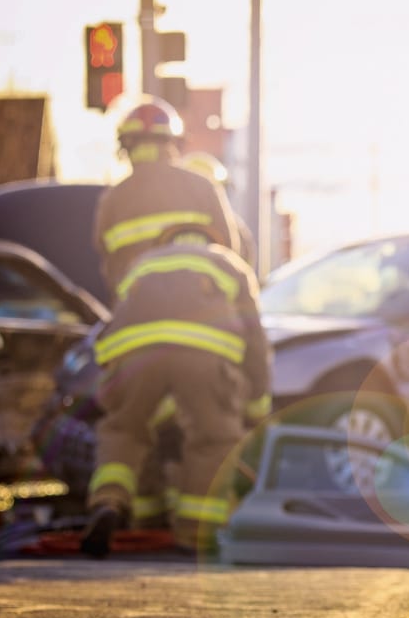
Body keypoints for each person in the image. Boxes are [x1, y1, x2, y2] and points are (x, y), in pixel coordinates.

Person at [79, 227, 272, 559]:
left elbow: (114, 325)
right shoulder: (228, 262)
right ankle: (195, 532)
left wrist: (115, 389)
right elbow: (254, 338)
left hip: (134, 354)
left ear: (166, 242)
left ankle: (109, 501)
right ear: (210, 239)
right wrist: (257, 405)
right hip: (205, 352)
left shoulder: (143, 263)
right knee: (213, 439)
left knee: (124, 429)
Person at [92, 97, 246, 301]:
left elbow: (105, 261)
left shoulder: (111, 200)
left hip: (136, 314)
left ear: (126, 147)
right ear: (174, 143)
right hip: (201, 311)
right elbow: (231, 253)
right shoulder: (203, 188)